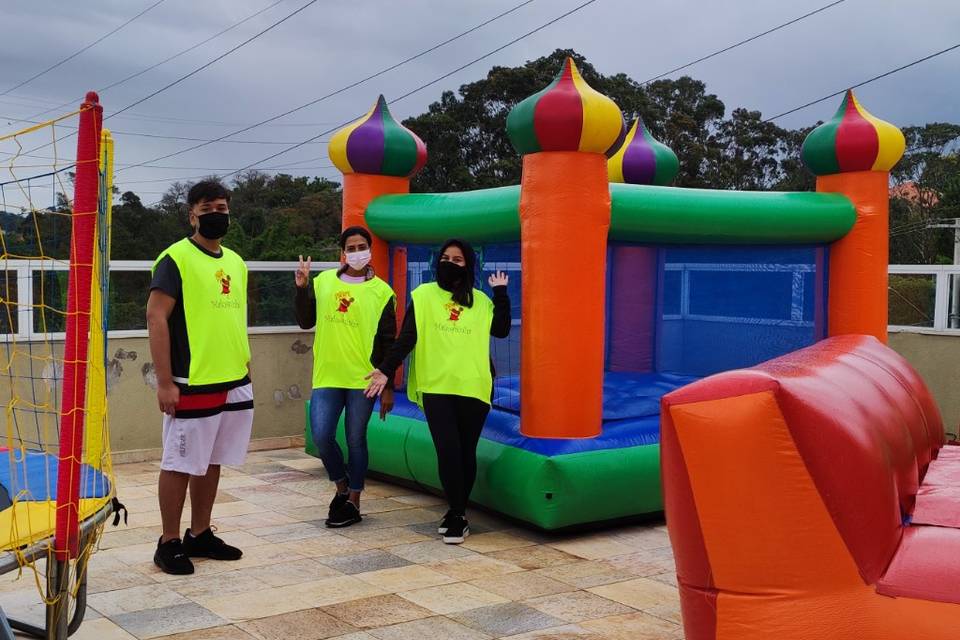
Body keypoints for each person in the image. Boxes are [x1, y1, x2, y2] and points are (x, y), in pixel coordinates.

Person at [365, 239, 510, 544]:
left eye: (458, 260)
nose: (450, 263)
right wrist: (385, 370)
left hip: (473, 386)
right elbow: (406, 339)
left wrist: (501, 295)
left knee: (465, 452)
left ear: (468, 265)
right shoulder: (424, 296)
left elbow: (501, 329)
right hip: (437, 387)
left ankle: (457, 512)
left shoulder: (481, 300)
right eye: (445, 258)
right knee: (448, 451)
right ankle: (457, 511)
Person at [147, 180, 252, 575]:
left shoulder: (237, 262)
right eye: (207, 207)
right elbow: (156, 317)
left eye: (222, 206)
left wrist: (245, 364)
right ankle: (169, 541)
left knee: (212, 460)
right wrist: (164, 381)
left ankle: (200, 533)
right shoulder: (175, 258)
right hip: (190, 379)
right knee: (180, 461)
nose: (216, 214)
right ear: (191, 213)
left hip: (234, 378)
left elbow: (235, 317)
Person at [294, 226, 396, 527]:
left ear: (370, 248)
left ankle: (354, 500)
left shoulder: (382, 291)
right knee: (323, 436)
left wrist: (387, 384)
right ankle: (341, 488)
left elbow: (389, 340)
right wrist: (301, 289)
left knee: (355, 439)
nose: (356, 252)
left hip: (364, 379)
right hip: (327, 376)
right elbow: (305, 321)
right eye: (350, 248)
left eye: (361, 246)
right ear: (343, 252)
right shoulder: (323, 281)